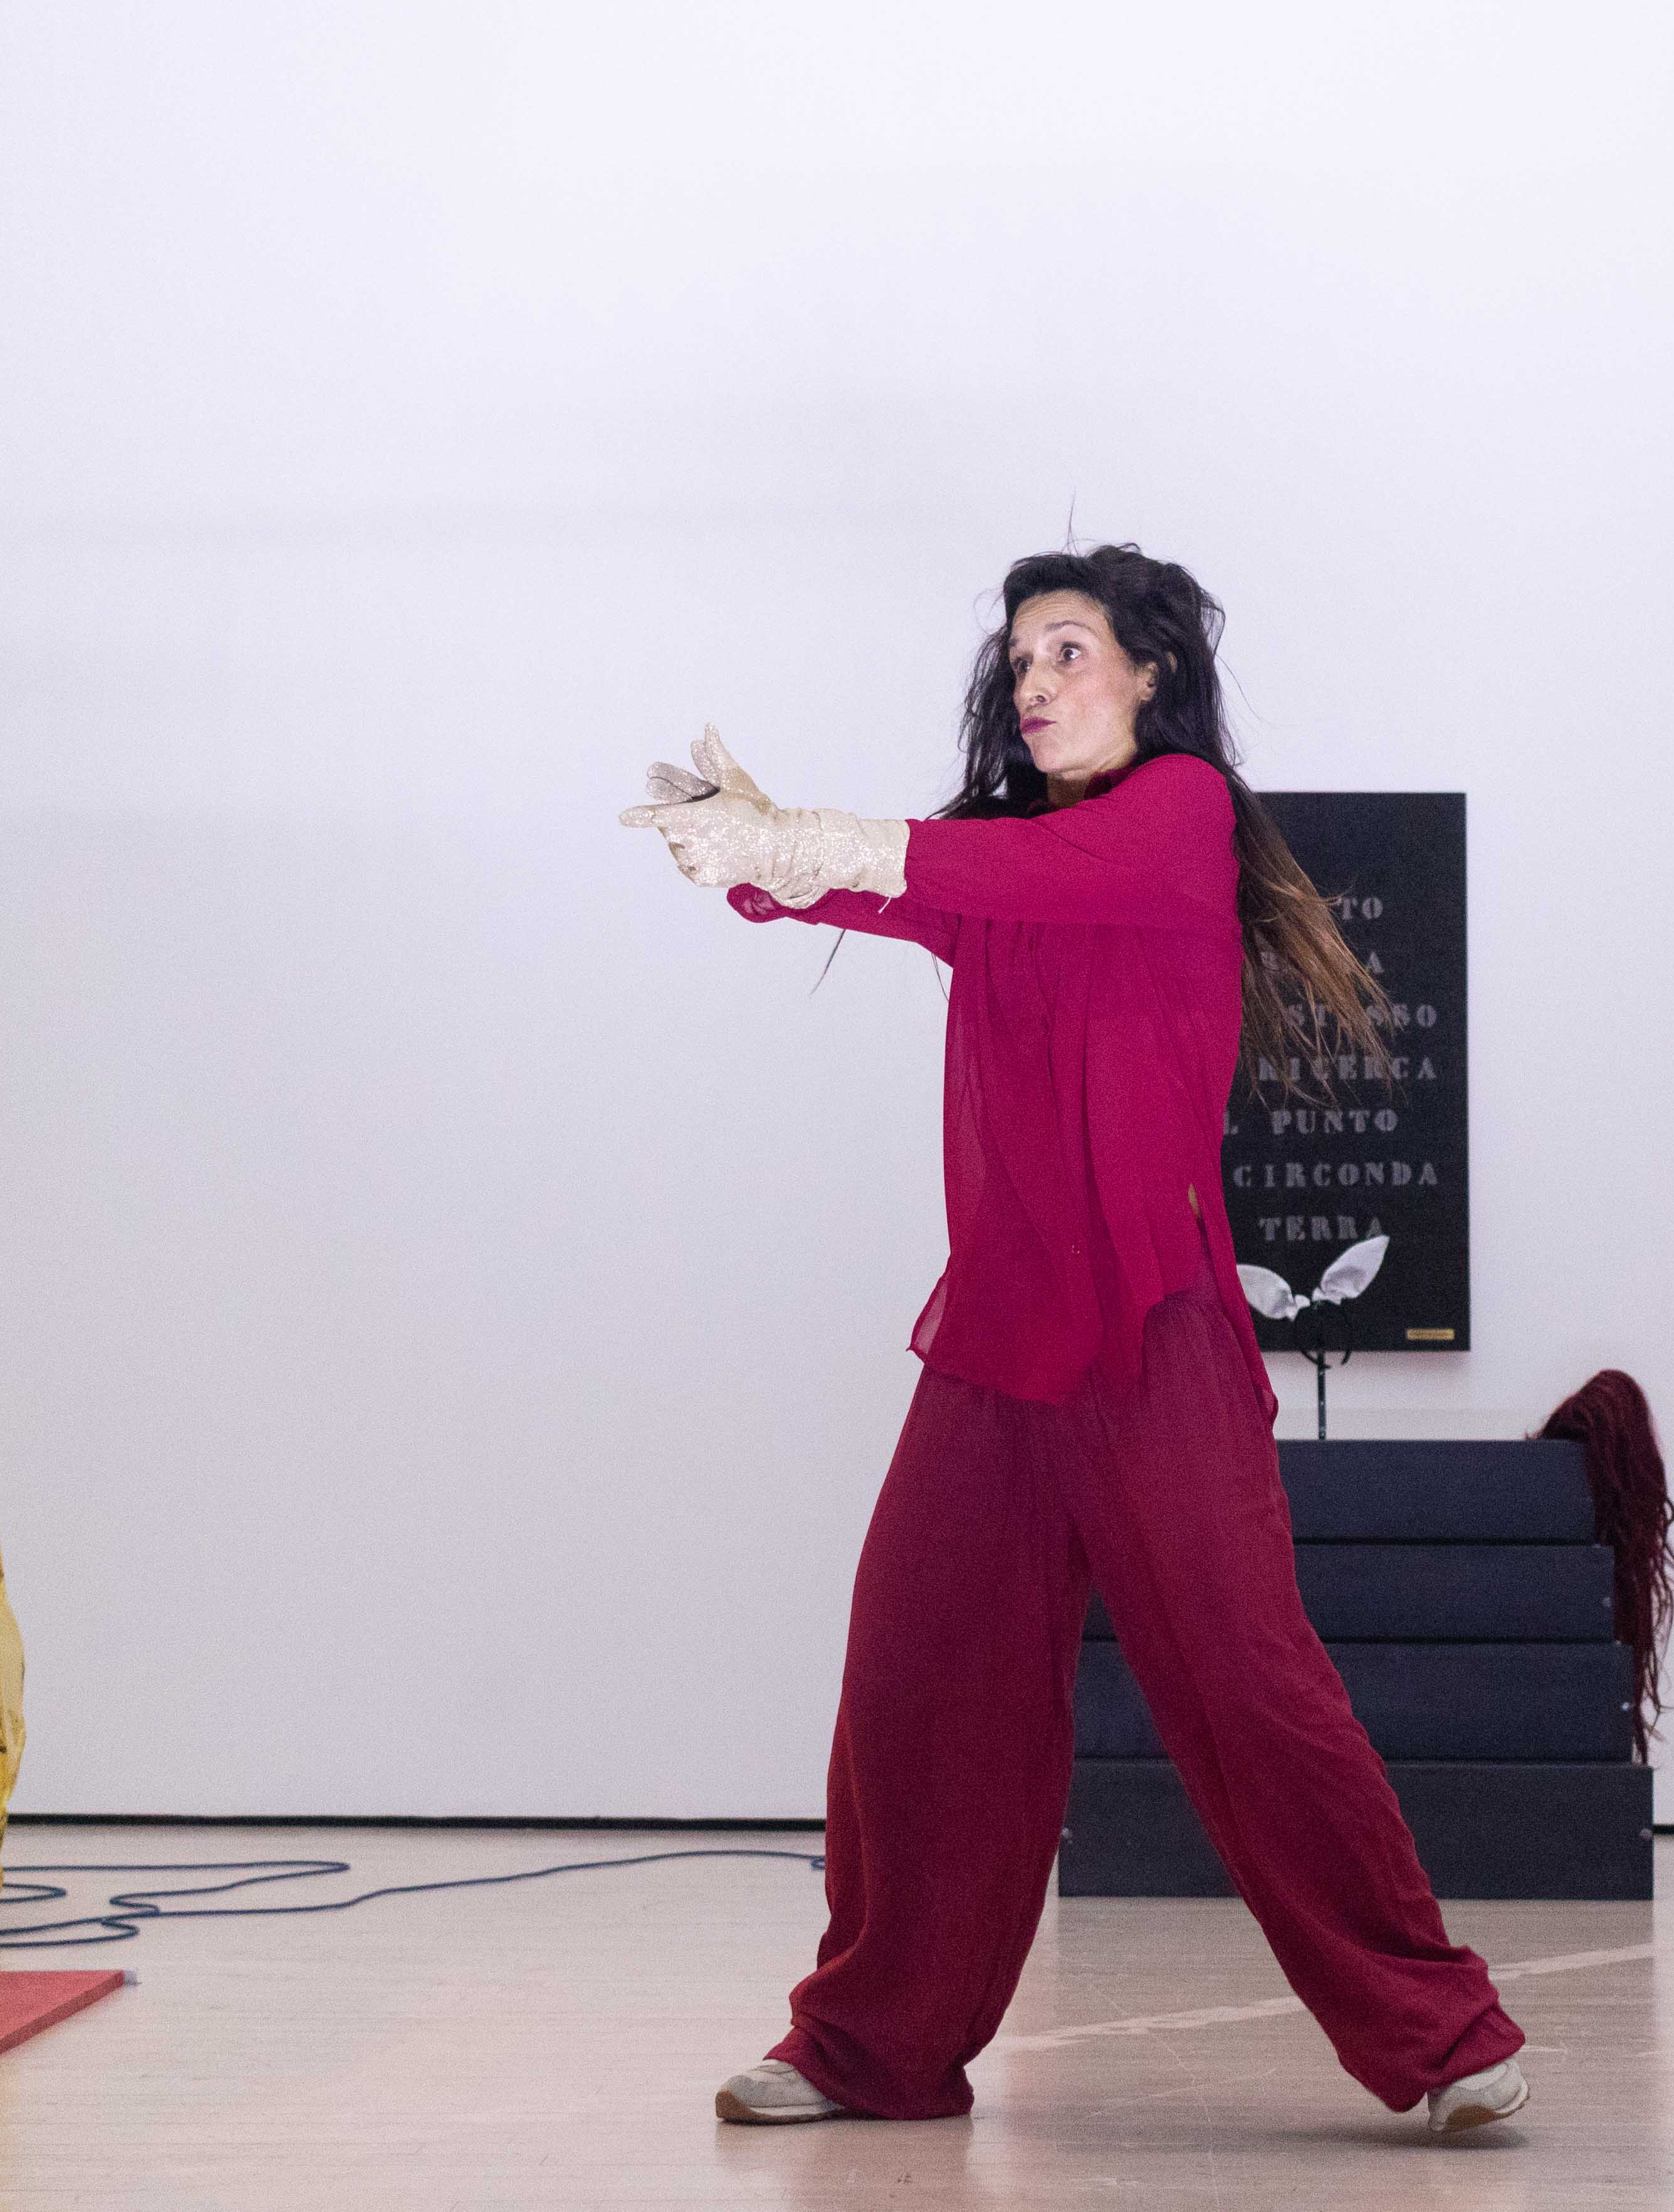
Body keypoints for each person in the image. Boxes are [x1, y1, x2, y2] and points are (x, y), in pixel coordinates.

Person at [620, 544, 1529, 2136]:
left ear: (1150, 673)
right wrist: (750, 848)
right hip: (995, 1350)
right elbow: (891, 887)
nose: (1034, 683)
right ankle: (873, 2046)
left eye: (1068, 651)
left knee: (1248, 1691)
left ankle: (1443, 2034)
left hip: (1154, 1340)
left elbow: (978, 872)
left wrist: (815, 839)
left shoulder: (1179, 816)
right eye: (1020, 660)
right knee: (914, 1681)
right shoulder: (1004, 860)